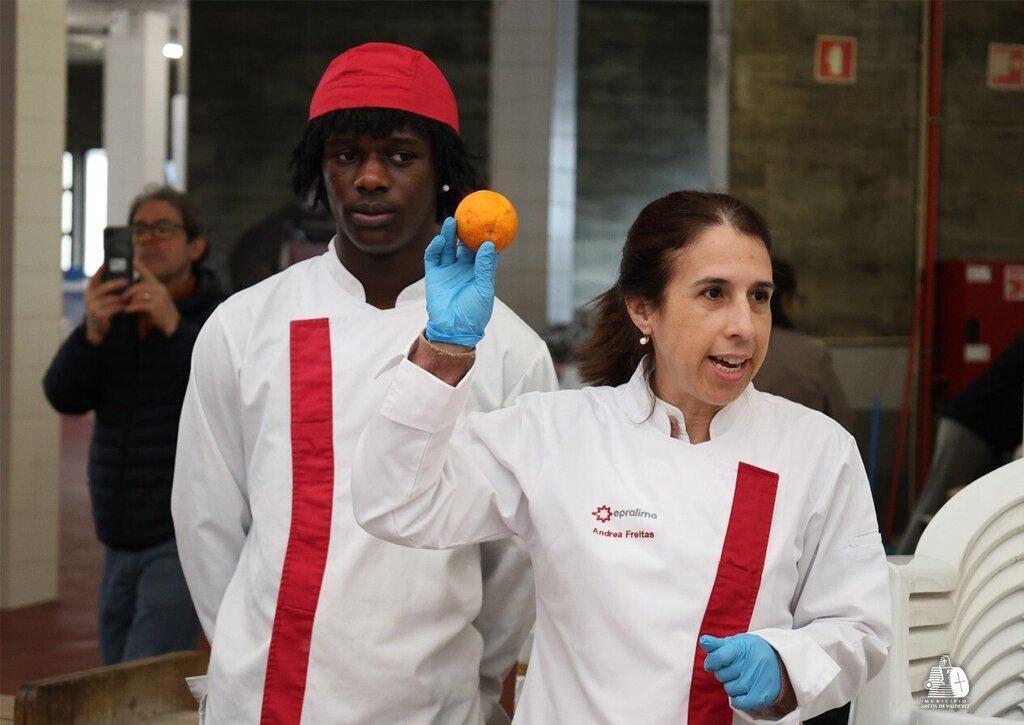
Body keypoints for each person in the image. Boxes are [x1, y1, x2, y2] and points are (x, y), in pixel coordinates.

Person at [352, 190, 891, 723]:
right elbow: (397, 503)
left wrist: (786, 665)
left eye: (759, 297)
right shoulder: (557, 434)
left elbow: (860, 627)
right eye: (713, 293)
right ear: (643, 309)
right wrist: (443, 350)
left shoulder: (816, 450)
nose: (744, 326)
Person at [170, 42, 557, 724]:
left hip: (433, 703)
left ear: (442, 171)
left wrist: (476, 680)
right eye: (347, 155)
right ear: (320, 169)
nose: (370, 178)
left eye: (401, 156)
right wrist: (246, 653)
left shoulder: (510, 350)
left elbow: (516, 559)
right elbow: (207, 521)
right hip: (268, 698)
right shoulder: (246, 325)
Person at [43, 186, 223, 664]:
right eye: (138, 229)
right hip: (116, 532)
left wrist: (172, 326)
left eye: (163, 228)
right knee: (115, 674)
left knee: (141, 679)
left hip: (177, 533)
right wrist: (91, 332)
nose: (147, 239)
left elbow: (228, 394)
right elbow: (63, 396)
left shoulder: (221, 314)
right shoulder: (115, 315)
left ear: (196, 246)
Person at [896, 332, 1023, 554]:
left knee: (977, 511)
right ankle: (907, 562)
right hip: (970, 428)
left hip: (989, 434)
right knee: (936, 507)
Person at [754, 258, 854, 432]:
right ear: (785, 299)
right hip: (802, 446)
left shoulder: (735, 347)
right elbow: (841, 420)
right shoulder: (813, 353)